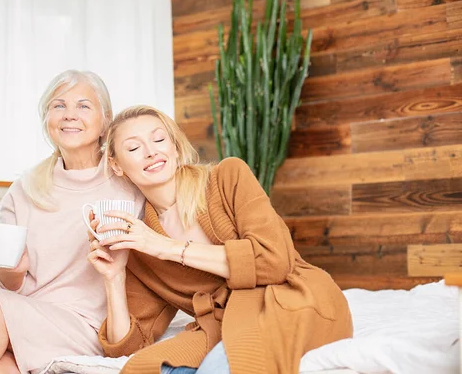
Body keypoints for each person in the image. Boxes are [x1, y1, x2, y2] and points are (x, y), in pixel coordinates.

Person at [87, 105, 353, 374]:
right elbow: (127, 346)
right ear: (116, 165)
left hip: (292, 300)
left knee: (225, 366)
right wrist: (115, 276)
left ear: (175, 147)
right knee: (140, 369)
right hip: (222, 325)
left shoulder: (227, 177)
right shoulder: (142, 244)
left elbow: (275, 262)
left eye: (159, 140)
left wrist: (167, 247)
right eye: (133, 148)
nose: (151, 151)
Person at [0, 70, 144, 374]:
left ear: (106, 121)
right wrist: (12, 271)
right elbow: (4, 280)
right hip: (27, 317)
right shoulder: (25, 188)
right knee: (0, 369)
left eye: (84, 106)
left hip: (88, 326)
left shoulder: (129, 181)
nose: (69, 115)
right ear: (47, 120)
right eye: (58, 106)